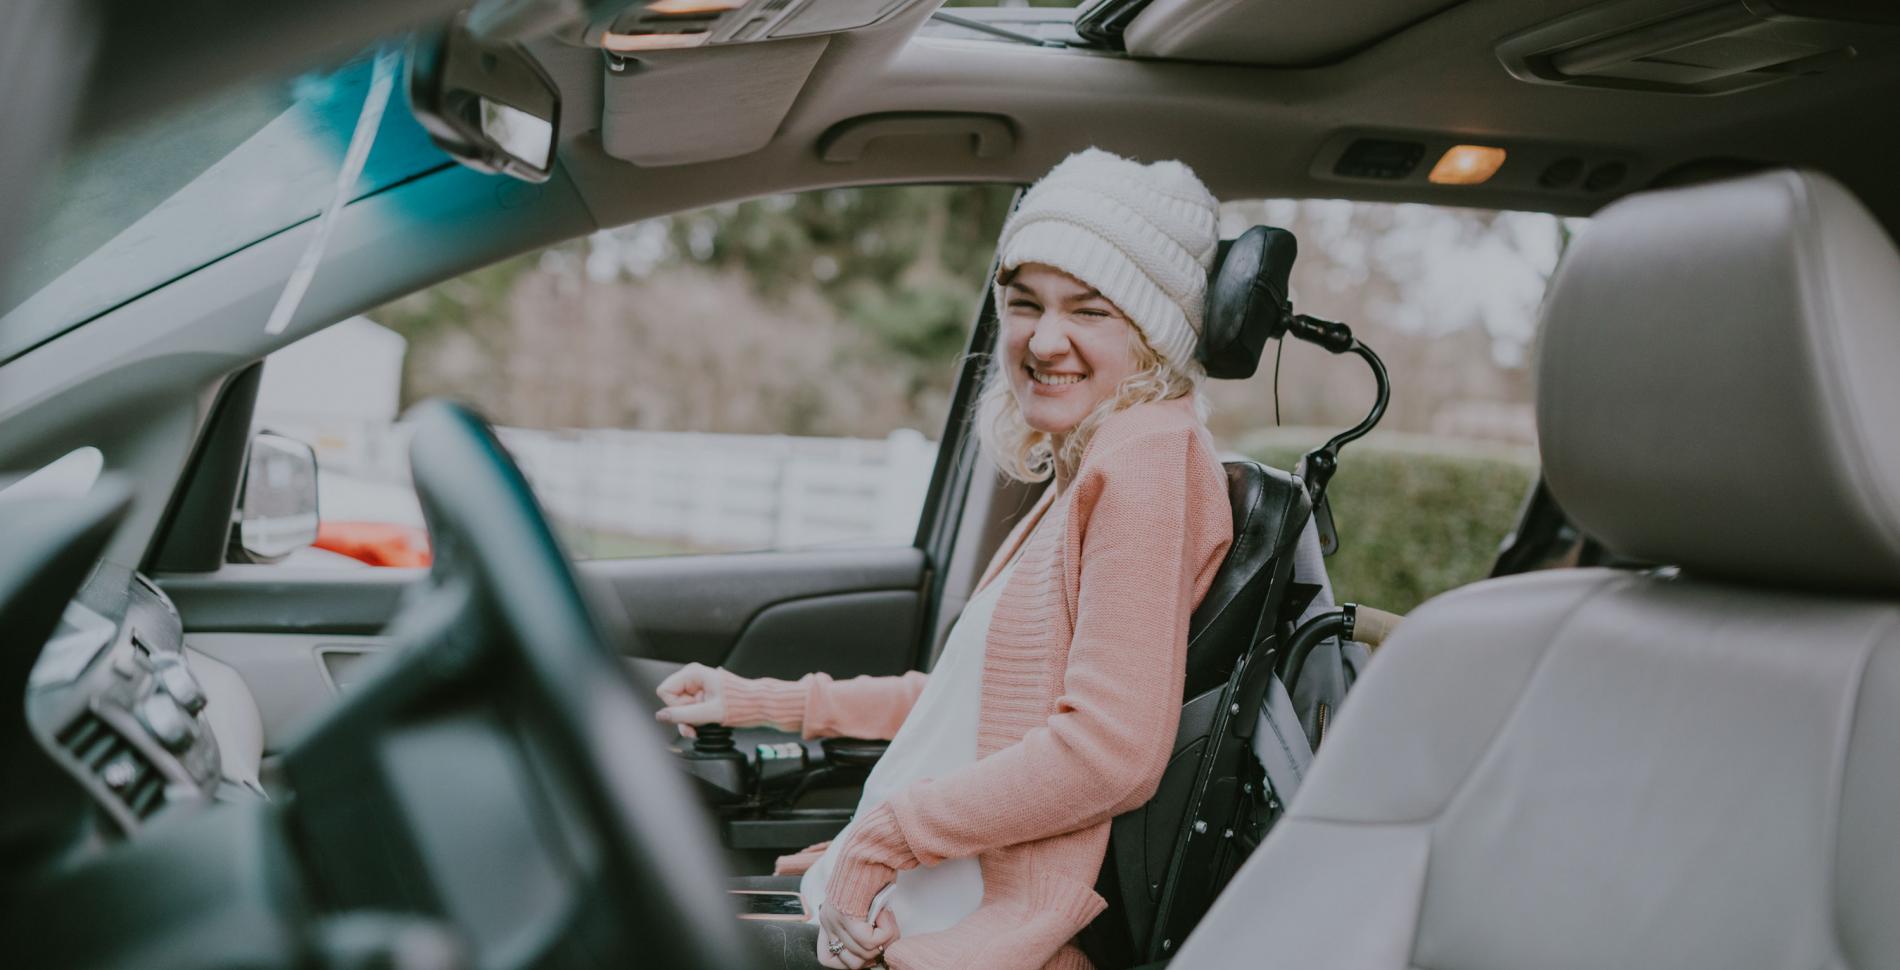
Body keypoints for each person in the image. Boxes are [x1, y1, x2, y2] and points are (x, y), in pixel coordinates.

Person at [655, 148, 1235, 970]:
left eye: (1090, 311)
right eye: (1024, 303)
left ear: (1153, 335)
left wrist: (887, 840)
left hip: (966, 937)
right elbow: (981, 706)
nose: (1043, 339)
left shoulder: (1145, 458)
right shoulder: (1090, 462)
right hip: (913, 909)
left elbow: (1110, 752)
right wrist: (762, 700)